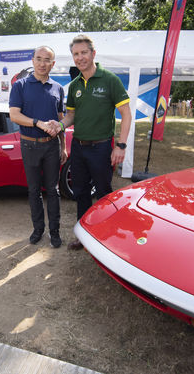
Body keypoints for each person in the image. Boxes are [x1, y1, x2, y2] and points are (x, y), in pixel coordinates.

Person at [59, 34, 131, 250]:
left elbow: (126, 114)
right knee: (80, 193)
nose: (80, 57)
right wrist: (59, 125)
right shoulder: (73, 86)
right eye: (75, 54)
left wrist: (121, 145)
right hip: (79, 148)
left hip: (101, 148)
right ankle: (83, 236)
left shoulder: (110, 80)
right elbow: (71, 116)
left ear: (93, 54)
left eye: (83, 53)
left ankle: (106, 236)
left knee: (103, 193)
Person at [9, 46, 67, 248]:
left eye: (47, 60)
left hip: (51, 147)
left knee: (53, 190)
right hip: (30, 145)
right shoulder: (20, 85)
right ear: (32, 60)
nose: (43, 63)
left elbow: (61, 121)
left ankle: (55, 231)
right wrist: (38, 123)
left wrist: (64, 146)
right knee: (33, 190)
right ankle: (38, 229)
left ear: (53, 63)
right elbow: (14, 115)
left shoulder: (58, 88)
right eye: (39, 59)